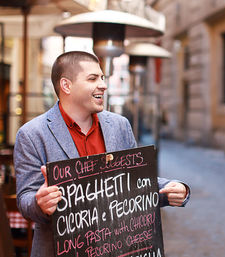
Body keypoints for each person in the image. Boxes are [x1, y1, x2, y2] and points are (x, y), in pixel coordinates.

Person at [14, 51, 190, 257]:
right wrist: (40, 202)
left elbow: (135, 182)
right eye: (92, 78)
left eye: (102, 78)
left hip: (118, 248)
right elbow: (25, 200)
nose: (103, 85)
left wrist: (170, 188)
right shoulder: (32, 134)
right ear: (66, 85)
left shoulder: (119, 125)